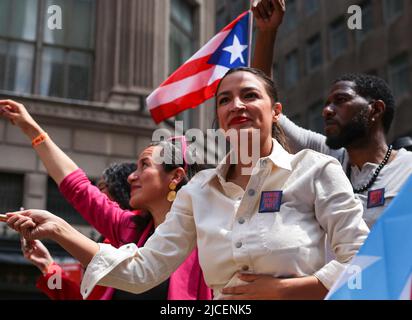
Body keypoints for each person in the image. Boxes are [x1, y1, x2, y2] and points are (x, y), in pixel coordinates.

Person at [5, 67, 369, 300]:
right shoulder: (199, 192)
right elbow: (141, 270)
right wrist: (60, 229)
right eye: (224, 99)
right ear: (219, 118)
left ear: (276, 111)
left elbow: (363, 260)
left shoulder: (316, 170)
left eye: (250, 95)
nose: (236, 105)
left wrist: (286, 291)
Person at [0, 99, 212, 300]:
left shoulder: (209, 236)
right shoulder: (129, 229)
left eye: (144, 165)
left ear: (175, 176)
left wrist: (57, 231)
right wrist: (31, 129)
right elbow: (78, 188)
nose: (131, 176)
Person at [251, 0, 412, 228]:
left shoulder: (408, 169)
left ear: (375, 110)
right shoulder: (329, 158)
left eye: (341, 101)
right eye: (327, 103)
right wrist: (267, 32)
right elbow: (265, 109)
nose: (327, 111)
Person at [22, 162, 138, 300]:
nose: (97, 195)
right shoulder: (110, 240)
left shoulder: (135, 238)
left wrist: (56, 230)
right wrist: (47, 265)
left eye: (101, 187)